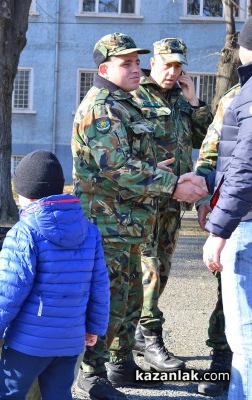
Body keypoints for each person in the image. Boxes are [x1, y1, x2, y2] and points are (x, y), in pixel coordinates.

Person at [71, 32, 209, 399]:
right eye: (126, 63)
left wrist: (158, 169)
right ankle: (91, 373)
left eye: (136, 61)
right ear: (104, 69)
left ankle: (120, 365)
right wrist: (171, 183)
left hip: (129, 221)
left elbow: (130, 161)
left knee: (131, 297)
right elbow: (115, 166)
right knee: (109, 299)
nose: (136, 68)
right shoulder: (102, 107)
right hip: (107, 222)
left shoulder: (124, 104)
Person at [0, 150, 110, 400]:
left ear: (23, 192)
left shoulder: (24, 232)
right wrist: (94, 328)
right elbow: (99, 286)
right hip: (70, 340)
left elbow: (9, 290)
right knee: (58, 395)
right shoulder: (89, 231)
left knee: (7, 395)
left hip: (28, 343)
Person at [130, 38, 213, 373]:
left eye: (179, 66)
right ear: (155, 63)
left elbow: (203, 138)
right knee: (149, 268)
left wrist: (194, 102)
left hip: (173, 204)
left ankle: (136, 329)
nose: (173, 72)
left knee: (161, 269)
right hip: (147, 199)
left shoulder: (180, 99)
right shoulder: (136, 96)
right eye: (168, 65)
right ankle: (150, 338)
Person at [203, 17, 252, 399]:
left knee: (245, 335)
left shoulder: (248, 94)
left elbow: (245, 165)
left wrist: (219, 230)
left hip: (245, 223)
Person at [194, 83, 239, 396]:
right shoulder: (236, 97)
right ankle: (222, 359)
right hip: (239, 209)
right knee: (230, 290)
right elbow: (211, 152)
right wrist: (204, 198)